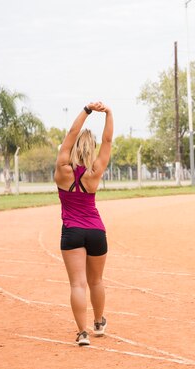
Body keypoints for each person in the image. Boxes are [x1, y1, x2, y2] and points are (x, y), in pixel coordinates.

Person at [54, 102, 113, 346]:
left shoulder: (62, 170)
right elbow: (107, 141)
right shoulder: (95, 171)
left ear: (74, 147)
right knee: (96, 281)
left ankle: (83, 333)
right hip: (96, 231)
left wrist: (87, 111)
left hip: (72, 232)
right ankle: (99, 322)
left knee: (77, 283)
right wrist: (108, 113)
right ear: (91, 150)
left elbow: (69, 134)